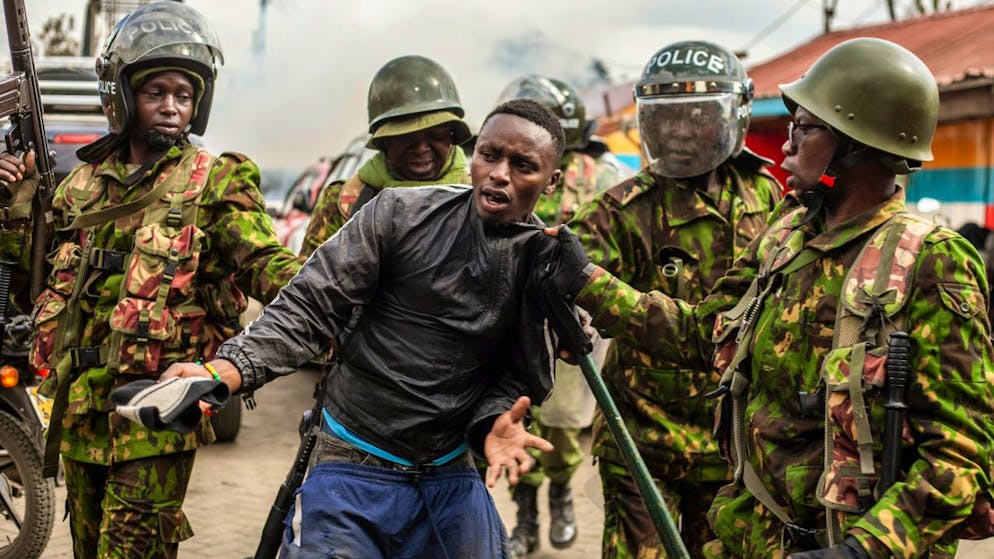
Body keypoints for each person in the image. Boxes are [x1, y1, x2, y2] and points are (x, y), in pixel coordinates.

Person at [545, 37, 994, 558]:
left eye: (803, 128)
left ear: (854, 143)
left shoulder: (932, 262)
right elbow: (703, 335)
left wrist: (861, 551)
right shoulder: (787, 235)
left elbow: (958, 461)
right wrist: (585, 279)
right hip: (751, 533)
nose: (785, 144)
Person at [161, 99, 568, 559]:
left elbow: (520, 374)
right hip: (352, 461)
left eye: (523, 165)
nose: (499, 173)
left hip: (449, 470)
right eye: (489, 155)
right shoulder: (399, 215)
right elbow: (310, 303)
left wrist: (494, 422)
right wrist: (226, 370)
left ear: (552, 179)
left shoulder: (546, 263)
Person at [0, 3, 304, 557]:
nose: (171, 107)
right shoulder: (82, 188)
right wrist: (14, 209)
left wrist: (334, 297)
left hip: (157, 412)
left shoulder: (214, 182)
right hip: (82, 417)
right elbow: (35, 293)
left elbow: (266, 265)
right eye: (155, 92)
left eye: (183, 95)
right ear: (123, 97)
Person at [566, 40, 783, 558]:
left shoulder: (766, 195)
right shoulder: (619, 210)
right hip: (644, 438)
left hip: (733, 442)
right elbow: (559, 277)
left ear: (733, 117)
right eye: (670, 118)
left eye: (699, 116)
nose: (681, 131)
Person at [494, 74, 628, 556]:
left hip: (573, 320)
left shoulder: (601, 176)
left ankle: (562, 495)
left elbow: (616, 249)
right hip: (512, 321)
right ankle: (525, 515)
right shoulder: (501, 170)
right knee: (518, 419)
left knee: (568, 428)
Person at [299, 54, 472, 257]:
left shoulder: (481, 198)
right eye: (405, 137)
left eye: (434, 135)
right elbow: (311, 282)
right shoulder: (345, 203)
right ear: (384, 143)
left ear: (451, 135)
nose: (421, 148)